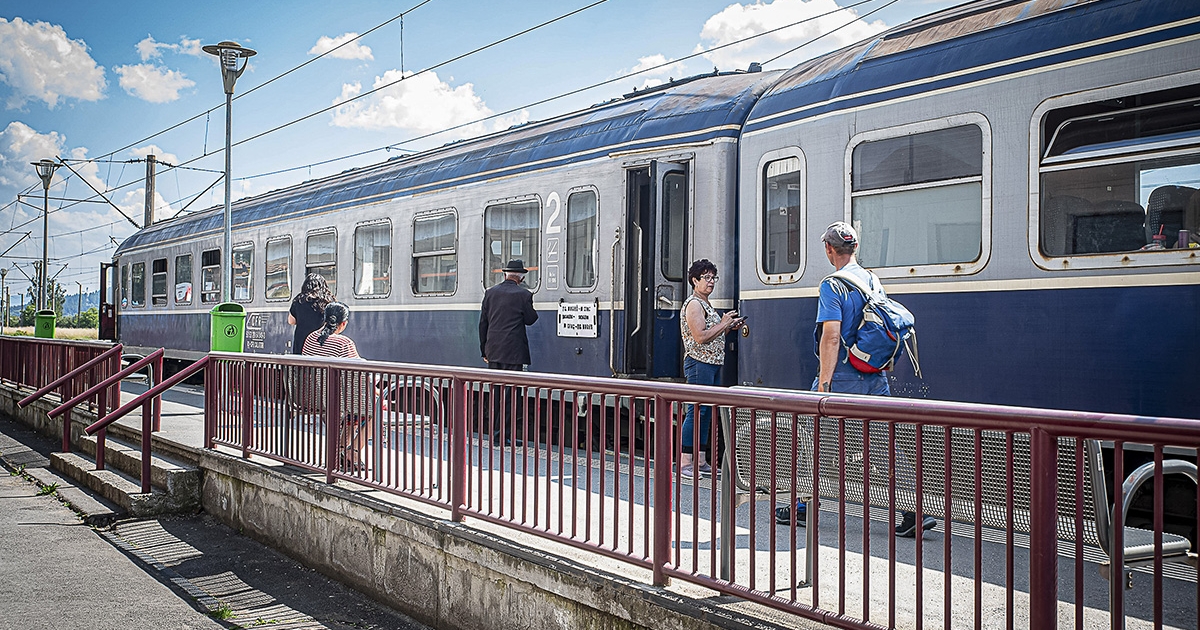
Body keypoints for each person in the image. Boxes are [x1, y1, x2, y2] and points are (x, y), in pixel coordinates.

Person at [776, 222, 936, 538]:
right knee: (882, 444)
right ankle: (914, 509)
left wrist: (824, 384)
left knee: (811, 437)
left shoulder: (832, 286)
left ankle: (804, 506)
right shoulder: (872, 280)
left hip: (844, 376)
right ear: (855, 248)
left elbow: (831, 336)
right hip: (875, 377)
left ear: (829, 249)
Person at [679, 259, 743, 479]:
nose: (711, 282)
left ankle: (701, 460)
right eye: (706, 278)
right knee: (697, 411)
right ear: (694, 280)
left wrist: (727, 327)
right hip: (699, 363)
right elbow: (700, 337)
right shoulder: (694, 304)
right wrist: (724, 323)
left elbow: (713, 336)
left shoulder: (706, 305)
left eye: (713, 277)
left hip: (712, 363)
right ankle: (686, 462)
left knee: (706, 412)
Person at [301, 302, 372, 471]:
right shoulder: (343, 343)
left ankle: (339, 452)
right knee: (373, 413)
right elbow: (360, 373)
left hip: (314, 397)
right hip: (336, 400)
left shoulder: (310, 338)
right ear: (344, 323)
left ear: (325, 319)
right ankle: (352, 452)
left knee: (352, 410)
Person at [479, 259, 539, 446]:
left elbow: (483, 324)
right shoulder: (524, 295)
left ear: (505, 274)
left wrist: (484, 350)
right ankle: (504, 436)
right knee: (511, 396)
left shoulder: (490, 293)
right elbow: (531, 320)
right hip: (514, 353)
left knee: (496, 394)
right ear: (521, 277)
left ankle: (496, 435)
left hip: (494, 351)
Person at [288, 273, 335, 355]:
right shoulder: (329, 300)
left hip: (302, 342)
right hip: (322, 341)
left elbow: (291, 321)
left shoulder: (299, 300)